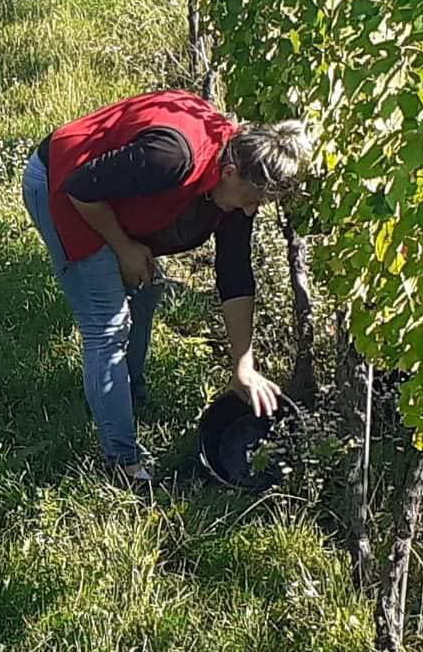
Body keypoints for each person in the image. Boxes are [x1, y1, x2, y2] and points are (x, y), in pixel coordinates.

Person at [21, 89, 309, 487]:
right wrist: (123, 247)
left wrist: (242, 365)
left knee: (146, 290)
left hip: (104, 198)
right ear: (230, 173)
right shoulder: (171, 157)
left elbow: (235, 273)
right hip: (61, 185)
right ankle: (123, 464)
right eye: (251, 199)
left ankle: (129, 396)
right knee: (107, 325)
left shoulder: (239, 169)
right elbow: (80, 188)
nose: (250, 209)